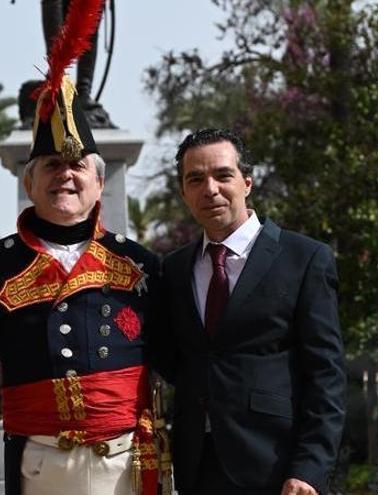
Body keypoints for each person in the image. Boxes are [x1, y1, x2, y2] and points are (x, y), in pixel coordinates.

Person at [0, 4, 161, 492]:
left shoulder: (140, 264)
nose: (66, 174)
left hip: (126, 467)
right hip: (39, 469)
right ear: (29, 181)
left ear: (100, 184)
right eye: (51, 166)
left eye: (78, 166)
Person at [155, 129, 346, 495]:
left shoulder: (304, 259)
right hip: (197, 467)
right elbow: (175, 359)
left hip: (277, 466)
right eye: (195, 179)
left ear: (247, 181)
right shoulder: (174, 269)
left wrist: (310, 467)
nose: (210, 189)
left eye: (222, 175)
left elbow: (327, 375)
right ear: (184, 192)